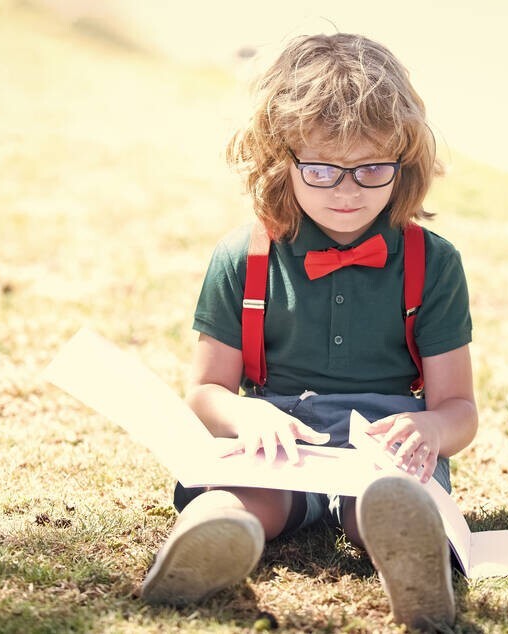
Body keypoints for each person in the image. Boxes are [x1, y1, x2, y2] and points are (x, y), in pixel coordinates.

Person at [140, 32, 478, 630]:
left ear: (404, 164)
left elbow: (459, 410)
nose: (347, 191)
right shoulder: (243, 257)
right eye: (322, 169)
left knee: (391, 502)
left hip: (386, 447)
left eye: (371, 168)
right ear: (281, 158)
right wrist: (247, 417)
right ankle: (215, 540)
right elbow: (206, 392)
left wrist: (427, 427)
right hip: (281, 438)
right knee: (244, 499)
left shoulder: (435, 262)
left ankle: (415, 564)